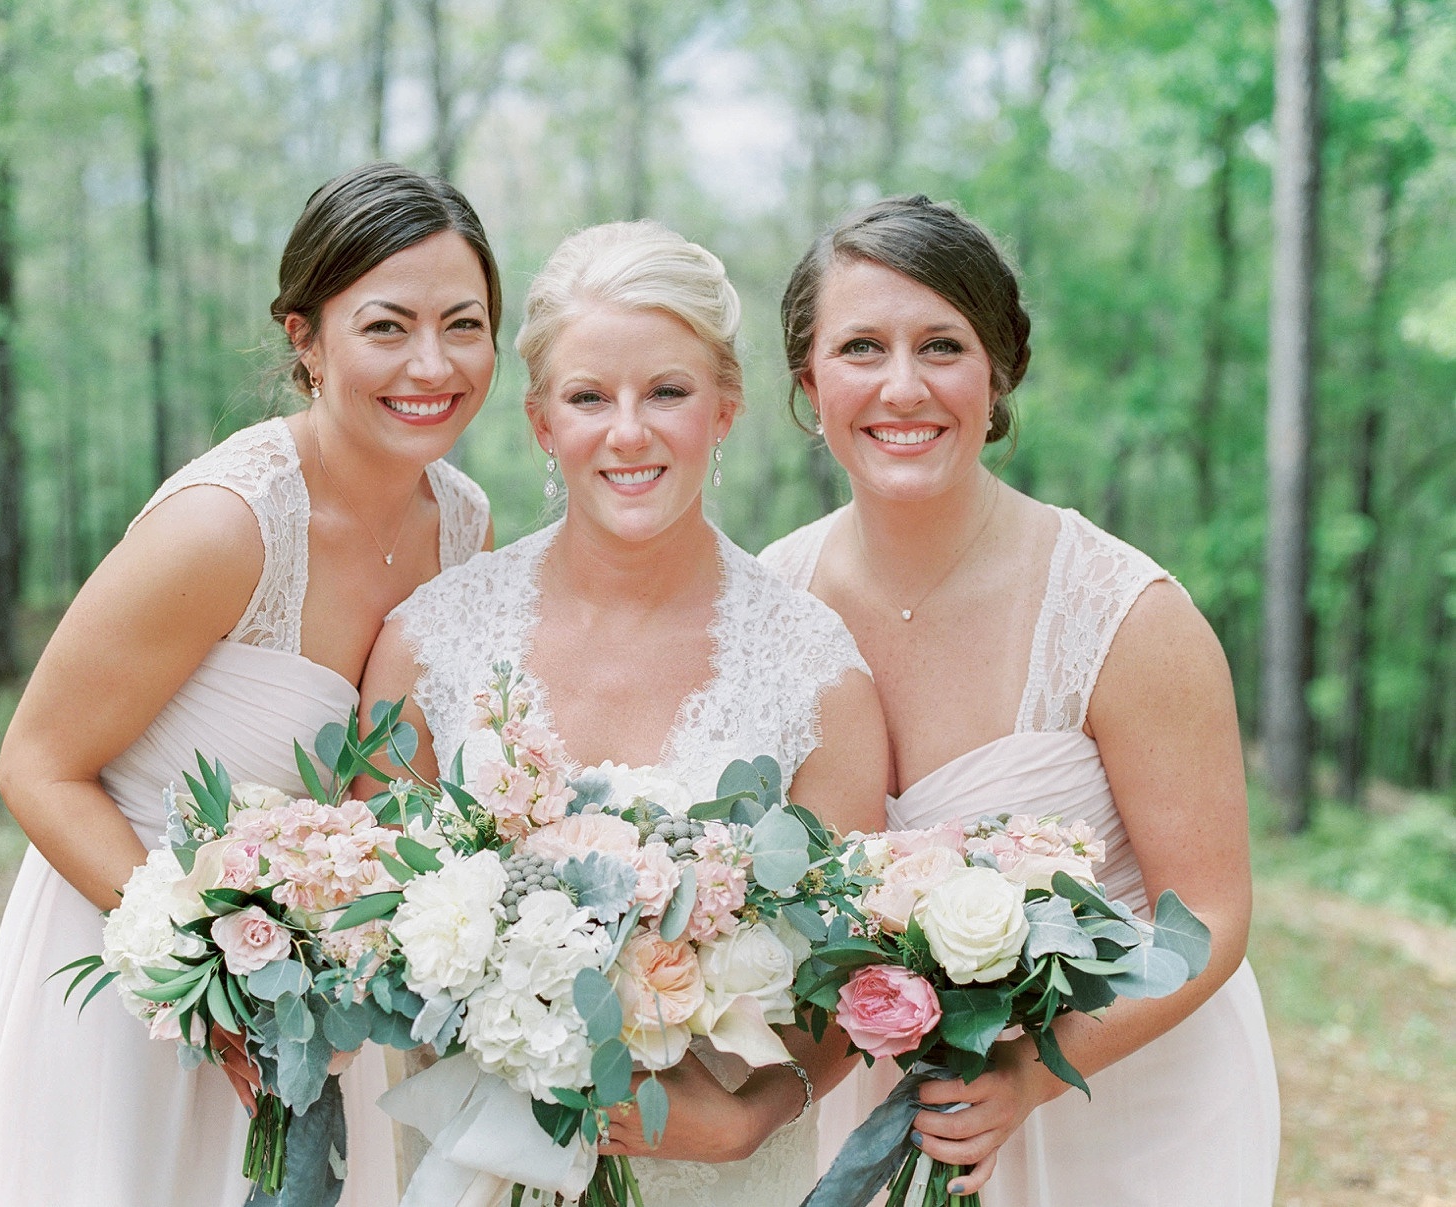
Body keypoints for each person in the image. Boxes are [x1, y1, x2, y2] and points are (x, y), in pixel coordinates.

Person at [0, 161, 501, 1207]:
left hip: (309, 1008)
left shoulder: (466, 524)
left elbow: (395, 794)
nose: (432, 364)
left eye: (465, 324)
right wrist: (202, 974)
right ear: (305, 338)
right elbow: (38, 765)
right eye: (386, 326)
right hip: (125, 972)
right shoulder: (227, 524)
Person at [761, 194, 1280, 1205]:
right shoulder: (766, 605)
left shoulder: (1126, 615)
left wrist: (1031, 1074)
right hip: (869, 1113)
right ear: (807, 381)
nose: (902, 387)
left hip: (1121, 1103)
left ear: (999, 373)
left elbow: (1210, 915)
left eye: (942, 346)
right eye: (861, 347)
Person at [358, 220, 888, 1205]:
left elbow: (851, 977)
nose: (628, 431)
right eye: (589, 397)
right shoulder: (430, 644)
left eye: (668, 392)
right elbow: (369, 937)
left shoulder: (815, 674)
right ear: (541, 422)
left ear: (725, 406)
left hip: (712, 1172)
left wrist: (754, 1113)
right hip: (472, 1164)